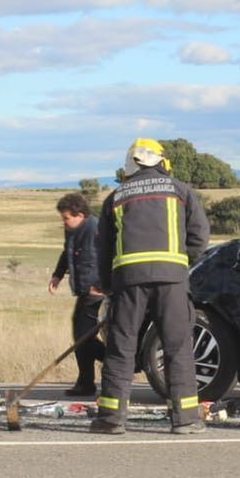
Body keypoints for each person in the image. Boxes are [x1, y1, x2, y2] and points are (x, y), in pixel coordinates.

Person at [92, 138, 211, 436]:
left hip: (128, 282)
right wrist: (180, 262)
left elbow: (103, 249)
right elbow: (199, 237)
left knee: (121, 346)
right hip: (172, 280)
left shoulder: (116, 197)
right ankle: (184, 419)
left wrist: (109, 287)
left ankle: (111, 418)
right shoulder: (181, 191)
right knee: (177, 346)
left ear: (131, 165)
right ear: (161, 162)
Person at [48, 192, 106, 397]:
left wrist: (100, 284)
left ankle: (116, 363)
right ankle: (85, 382)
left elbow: (107, 258)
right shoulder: (71, 231)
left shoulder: (97, 230)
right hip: (83, 290)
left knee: (85, 337)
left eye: (66, 218)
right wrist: (57, 275)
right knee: (80, 336)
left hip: (97, 292)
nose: (63, 222)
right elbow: (67, 253)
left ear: (80, 215)